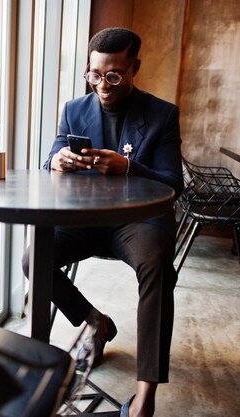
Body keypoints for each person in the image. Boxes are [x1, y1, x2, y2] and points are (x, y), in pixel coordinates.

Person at [22, 28, 183, 417]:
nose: (103, 85)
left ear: (134, 69)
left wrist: (129, 167)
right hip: (84, 217)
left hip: (138, 221)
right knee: (34, 258)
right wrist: (55, 162)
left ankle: (146, 395)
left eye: (113, 75)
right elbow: (51, 158)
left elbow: (174, 184)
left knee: (156, 265)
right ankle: (96, 323)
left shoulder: (162, 114)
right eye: (94, 75)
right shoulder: (74, 108)